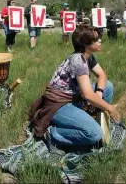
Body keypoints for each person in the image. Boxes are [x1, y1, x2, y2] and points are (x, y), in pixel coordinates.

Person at [29, 24, 120, 153]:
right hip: (59, 103)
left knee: (108, 87)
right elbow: (88, 95)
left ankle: (93, 115)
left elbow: (102, 75)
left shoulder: (88, 56)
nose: (100, 41)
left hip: (74, 96)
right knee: (94, 134)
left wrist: (99, 94)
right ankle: (53, 133)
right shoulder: (78, 61)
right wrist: (109, 108)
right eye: (96, 39)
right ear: (85, 44)